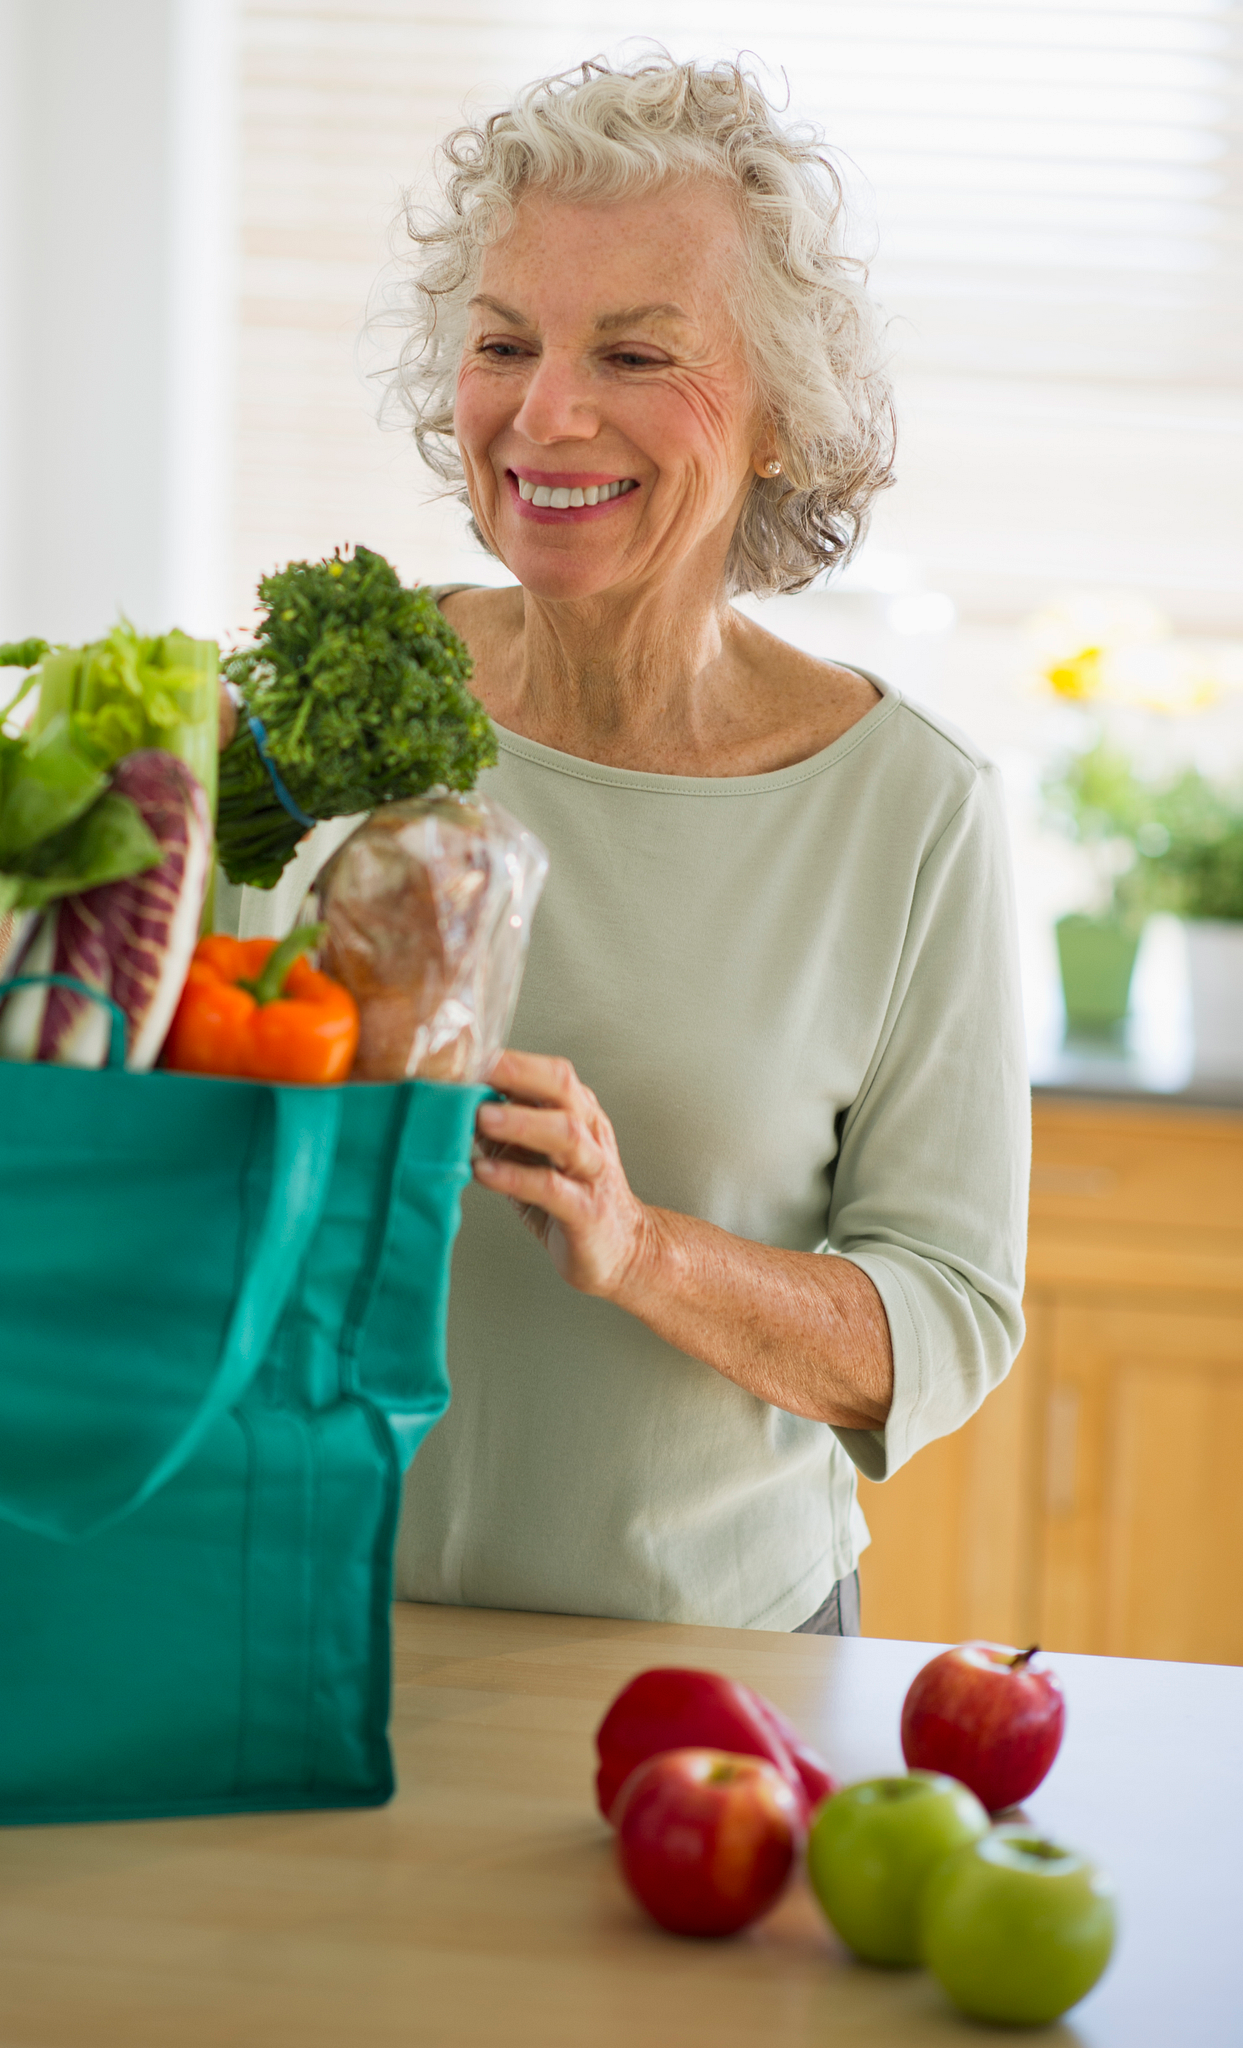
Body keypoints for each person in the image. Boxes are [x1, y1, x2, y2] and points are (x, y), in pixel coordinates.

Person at [278, 56, 1027, 1636]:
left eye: (633, 352)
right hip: (288, 1616)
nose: (546, 412)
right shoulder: (320, 703)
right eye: (504, 344)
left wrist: (637, 1248)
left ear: (773, 423)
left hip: (706, 1676)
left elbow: (946, 1320)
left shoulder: (904, 807)